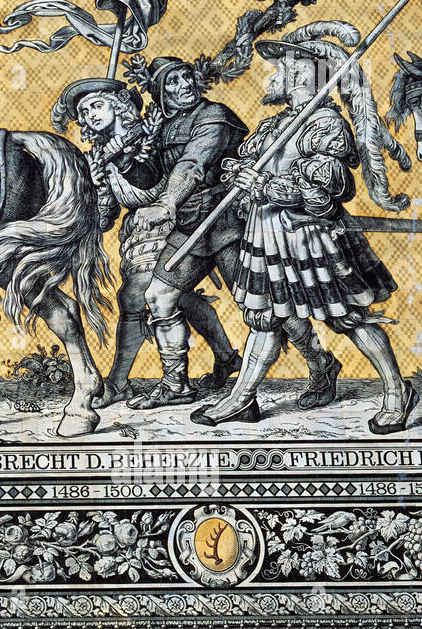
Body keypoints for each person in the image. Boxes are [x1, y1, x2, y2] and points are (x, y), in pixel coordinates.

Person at [191, 24, 418, 434]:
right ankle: (242, 399)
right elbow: (255, 167)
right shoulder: (277, 124)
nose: (274, 75)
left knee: (347, 317)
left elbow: (324, 195)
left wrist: (266, 186)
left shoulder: (325, 124)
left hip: (310, 237)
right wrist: (239, 174)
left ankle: (397, 393)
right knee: (263, 316)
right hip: (267, 235)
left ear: (307, 76)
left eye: (285, 69)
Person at [118, 55, 340, 410]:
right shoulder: (162, 128)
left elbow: (194, 163)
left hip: (231, 223)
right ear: (160, 92)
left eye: (186, 76)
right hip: (191, 226)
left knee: (267, 308)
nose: (184, 85)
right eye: (172, 82)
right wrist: (130, 159)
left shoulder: (214, 116)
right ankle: (176, 385)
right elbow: (155, 178)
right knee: (159, 297)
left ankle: (320, 365)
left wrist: (167, 204)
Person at [53, 75, 240, 406]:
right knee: (173, 299)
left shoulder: (147, 136)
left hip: (174, 219)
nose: (91, 116)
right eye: (85, 111)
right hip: (138, 231)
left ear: (119, 106)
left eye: (98, 105)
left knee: (135, 297)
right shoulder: (99, 154)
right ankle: (226, 357)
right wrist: (93, 189)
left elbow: (152, 179)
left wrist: (122, 160)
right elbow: (105, 216)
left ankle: (119, 381)